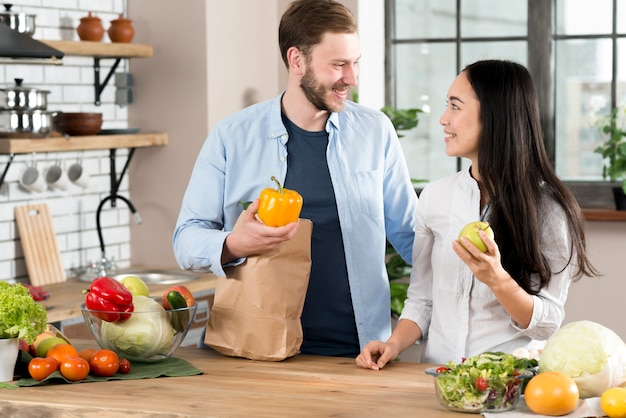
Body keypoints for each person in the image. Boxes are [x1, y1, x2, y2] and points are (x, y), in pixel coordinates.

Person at [173, 0, 418, 358]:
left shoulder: (374, 131)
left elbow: (411, 235)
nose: (351, 78)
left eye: (355, 63)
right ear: (297, 60)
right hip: (254, 348)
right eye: (338, 65)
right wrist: (235, 244)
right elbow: (186, 239)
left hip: (360, 351)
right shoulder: (233, 136)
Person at [356, 59, 599, 369]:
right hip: (441, 380)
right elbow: (422, 300)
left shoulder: (549, 210)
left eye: (455, 107)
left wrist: (497, 280)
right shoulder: (435, 198)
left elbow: (547, 322)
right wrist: (391, 345)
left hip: (509, 384)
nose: (444, 119)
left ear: (495, 116)